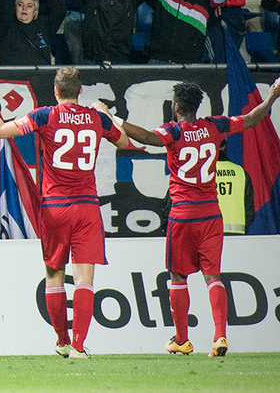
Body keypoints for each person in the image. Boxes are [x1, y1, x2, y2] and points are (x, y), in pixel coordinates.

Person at [108, 79, 280, 358]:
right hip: (211, 213)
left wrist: (113, 119)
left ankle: (181, 340)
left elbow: (147, 137)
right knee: (213, 277)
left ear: (176, 107)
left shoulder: (173, 131)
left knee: (178, 277)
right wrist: (272, 96)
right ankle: (220, 336)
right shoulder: (215, 127)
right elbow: (251, 119)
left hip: (183, 214)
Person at [0, 67, 123, 358]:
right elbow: (125, 141)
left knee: (54, 275)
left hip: (55, 208)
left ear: (55, 91)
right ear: (80, 91)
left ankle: (62, 342)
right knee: (84, 279)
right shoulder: (97, 119)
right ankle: (79, 346)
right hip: (87, 207)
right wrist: (107, 114)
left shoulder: (46, 116)